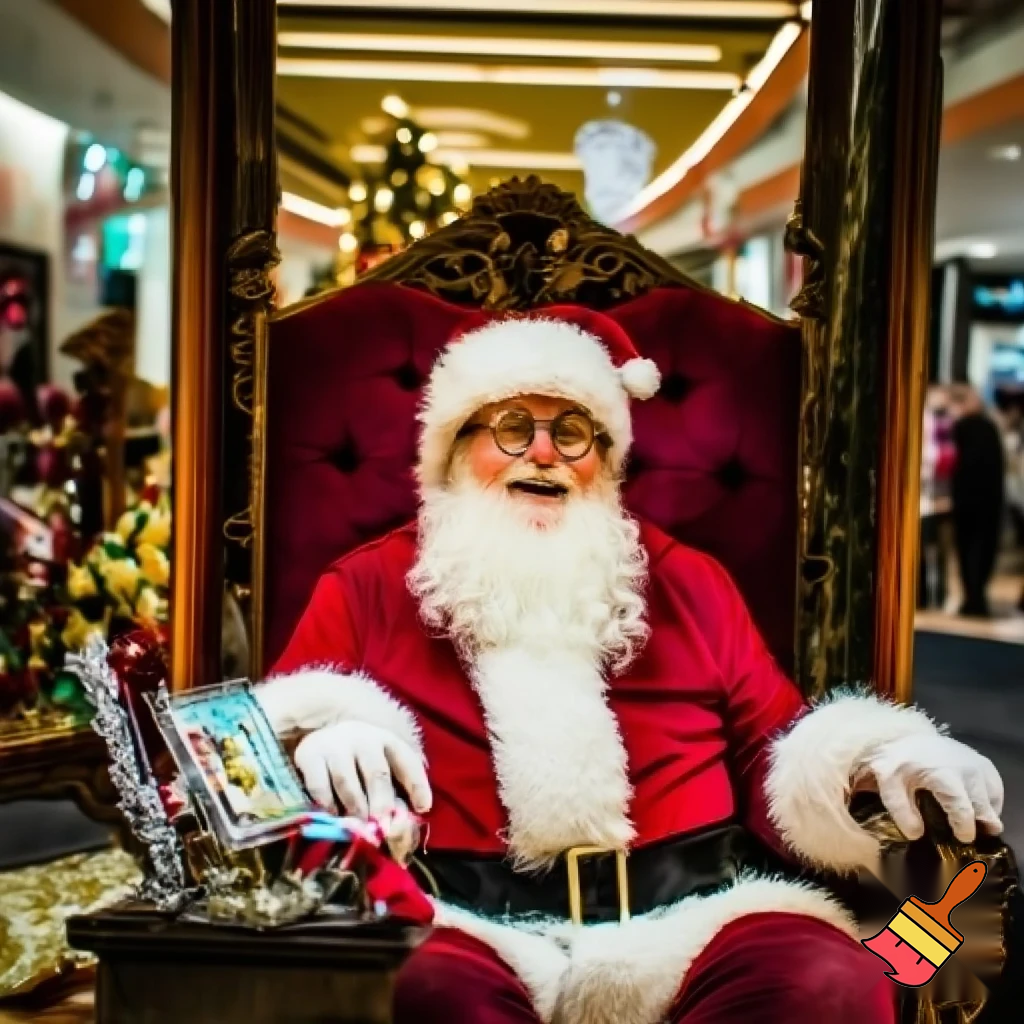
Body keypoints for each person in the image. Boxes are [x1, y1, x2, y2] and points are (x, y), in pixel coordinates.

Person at [256, 310, 1004, 1024]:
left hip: (696, 916)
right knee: (411, 990)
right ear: (455, 450)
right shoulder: (366, 585)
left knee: (825, 980)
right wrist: (313, 735)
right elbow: (247, 773)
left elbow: (774, 751)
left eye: (573, 432)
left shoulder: (688, 580)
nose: (544, 453)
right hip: (458, 920)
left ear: (606, 461)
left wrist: (870, 760)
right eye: (512, 427)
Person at [948, 385, 1005, 617]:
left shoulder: (960, 428)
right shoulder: (990, 428)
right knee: (984, 549)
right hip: (989, 503)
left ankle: (972, 597)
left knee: (966, 549)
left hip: (965, 501)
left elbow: (954, 464)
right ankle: (977, 596)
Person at [918, 385, 955, 609]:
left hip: (942, 499)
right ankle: (920, 597)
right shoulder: (920, 424)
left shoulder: (948, 429)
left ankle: (940, 596)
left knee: (941, 550)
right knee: (920, 552)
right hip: (921, 501)